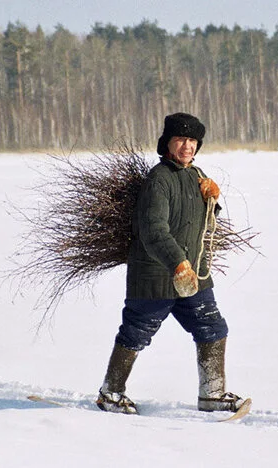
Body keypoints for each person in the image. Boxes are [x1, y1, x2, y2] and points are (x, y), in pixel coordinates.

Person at [96, 112, 246, 415]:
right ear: (167, 143)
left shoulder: (195, 174)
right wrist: (178, 263)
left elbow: (199, 222)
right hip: (156, 276)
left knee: (212, 326)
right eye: (181, 139)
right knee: (136, 332)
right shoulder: (159, 179)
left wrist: (212, 201)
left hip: (194, 275)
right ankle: (111, 394)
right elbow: (153, 231)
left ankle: (212, 395)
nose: (187, 146)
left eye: (193, 140)